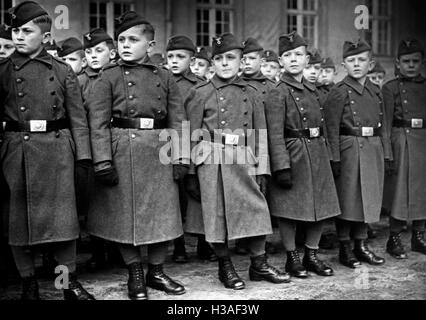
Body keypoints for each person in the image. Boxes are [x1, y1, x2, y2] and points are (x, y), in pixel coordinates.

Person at [86, 11, 188, 300]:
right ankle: (135, 273)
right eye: (120, 39)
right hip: (123, 149)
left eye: (133, 39)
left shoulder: (166, 77)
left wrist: (180, 156)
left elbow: (178, 120)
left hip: (159, 149)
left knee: (162, 215)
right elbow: (97, 122)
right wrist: (103, 160)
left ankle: (156, 272)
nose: (125, 44)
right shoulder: (108, 77)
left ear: (151, 46)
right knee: (125, 217)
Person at [0, 0, 95, 300]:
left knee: (64, 224)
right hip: (18, 151)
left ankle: (65, 283)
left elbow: (78, 119)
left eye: (26, 31)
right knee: (18, 223)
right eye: (15, 30)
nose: (18, 36)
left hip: (58, 151)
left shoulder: (62, 70)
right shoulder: (2, 70)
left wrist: (83, 159)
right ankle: (28, 283)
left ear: (43, 35)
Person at [184, 32, 290, 290]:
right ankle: (225, 266)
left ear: (242, 62)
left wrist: (263, 170)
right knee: (216, 216)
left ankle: (259, 264)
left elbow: (260, 134)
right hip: (212, 159)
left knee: (256, 210)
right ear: (212, 63)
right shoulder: (200, 92)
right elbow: (188, 132)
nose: (224, 63)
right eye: (218, 58)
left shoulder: (252, 92)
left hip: (244, 157)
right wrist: (188, 172)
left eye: (230, 58)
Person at [265, 32, 340, 278]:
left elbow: (326, 126)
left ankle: (311, 254)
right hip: (293, 153)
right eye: (287, 55)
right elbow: (275, 133)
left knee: (321, 205)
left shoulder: (314, 91)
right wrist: (281, 166)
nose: (293, 59)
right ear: (280, 60)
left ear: (307, 59)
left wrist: (331, 156)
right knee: (290, 208)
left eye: (298, 54)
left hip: (317, 151)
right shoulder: (278, 92)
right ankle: (292, 257)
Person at [324, 39, 391, 268]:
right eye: (351, 61)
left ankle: (361, 245)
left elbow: (384, 126)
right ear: (344, 65)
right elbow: (330, 128)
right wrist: (334, 157)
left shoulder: (376, 92)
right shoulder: (339, 91)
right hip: (348, 149)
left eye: (361, 60)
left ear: (370, 64)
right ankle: (345, 247)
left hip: (372, 148)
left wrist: (387, 153)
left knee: (368, 199)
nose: (356, 64)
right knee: (348, 200)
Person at [166, 35, 217, 263]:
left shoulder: (200, 85)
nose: (175, 61)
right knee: (174, 197)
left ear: (192, 59)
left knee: (199, 195)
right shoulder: (162, 80)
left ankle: (204, 244)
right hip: (169, 144)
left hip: (195, 141)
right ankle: (178, 246)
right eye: (171, 57)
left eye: (181, 56)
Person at [79, 28, 119, 272]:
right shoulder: (78, 81)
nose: (93, 55)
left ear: (112, 53)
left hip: (112, 144)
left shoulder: (116, 77)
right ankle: (96, 250)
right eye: (89, 51)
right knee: (93, 201)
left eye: (99, 50)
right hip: (90, 146)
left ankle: (115, 249)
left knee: (114, 200)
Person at [383, 38, 426, 259]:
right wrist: (387, 152)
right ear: (397, 63)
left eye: (415, 61)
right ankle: (394, 237)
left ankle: (419, 235)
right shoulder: (390, 88)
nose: (411, 65)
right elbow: (387, 123)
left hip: (423, 141)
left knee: (422, 190)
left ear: (422, 63)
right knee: (399, 191)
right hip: (401, 139)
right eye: (406, 61)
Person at [237, 37, 278, 255]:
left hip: (269, 145)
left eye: (252, 58)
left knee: (267, 193)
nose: (246, 63)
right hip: (246, 148)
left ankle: (262, 237)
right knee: (246, 193)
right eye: (242, 59)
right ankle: (245, 238)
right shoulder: (235, 84)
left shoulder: (272, 87)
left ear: (261, 60)